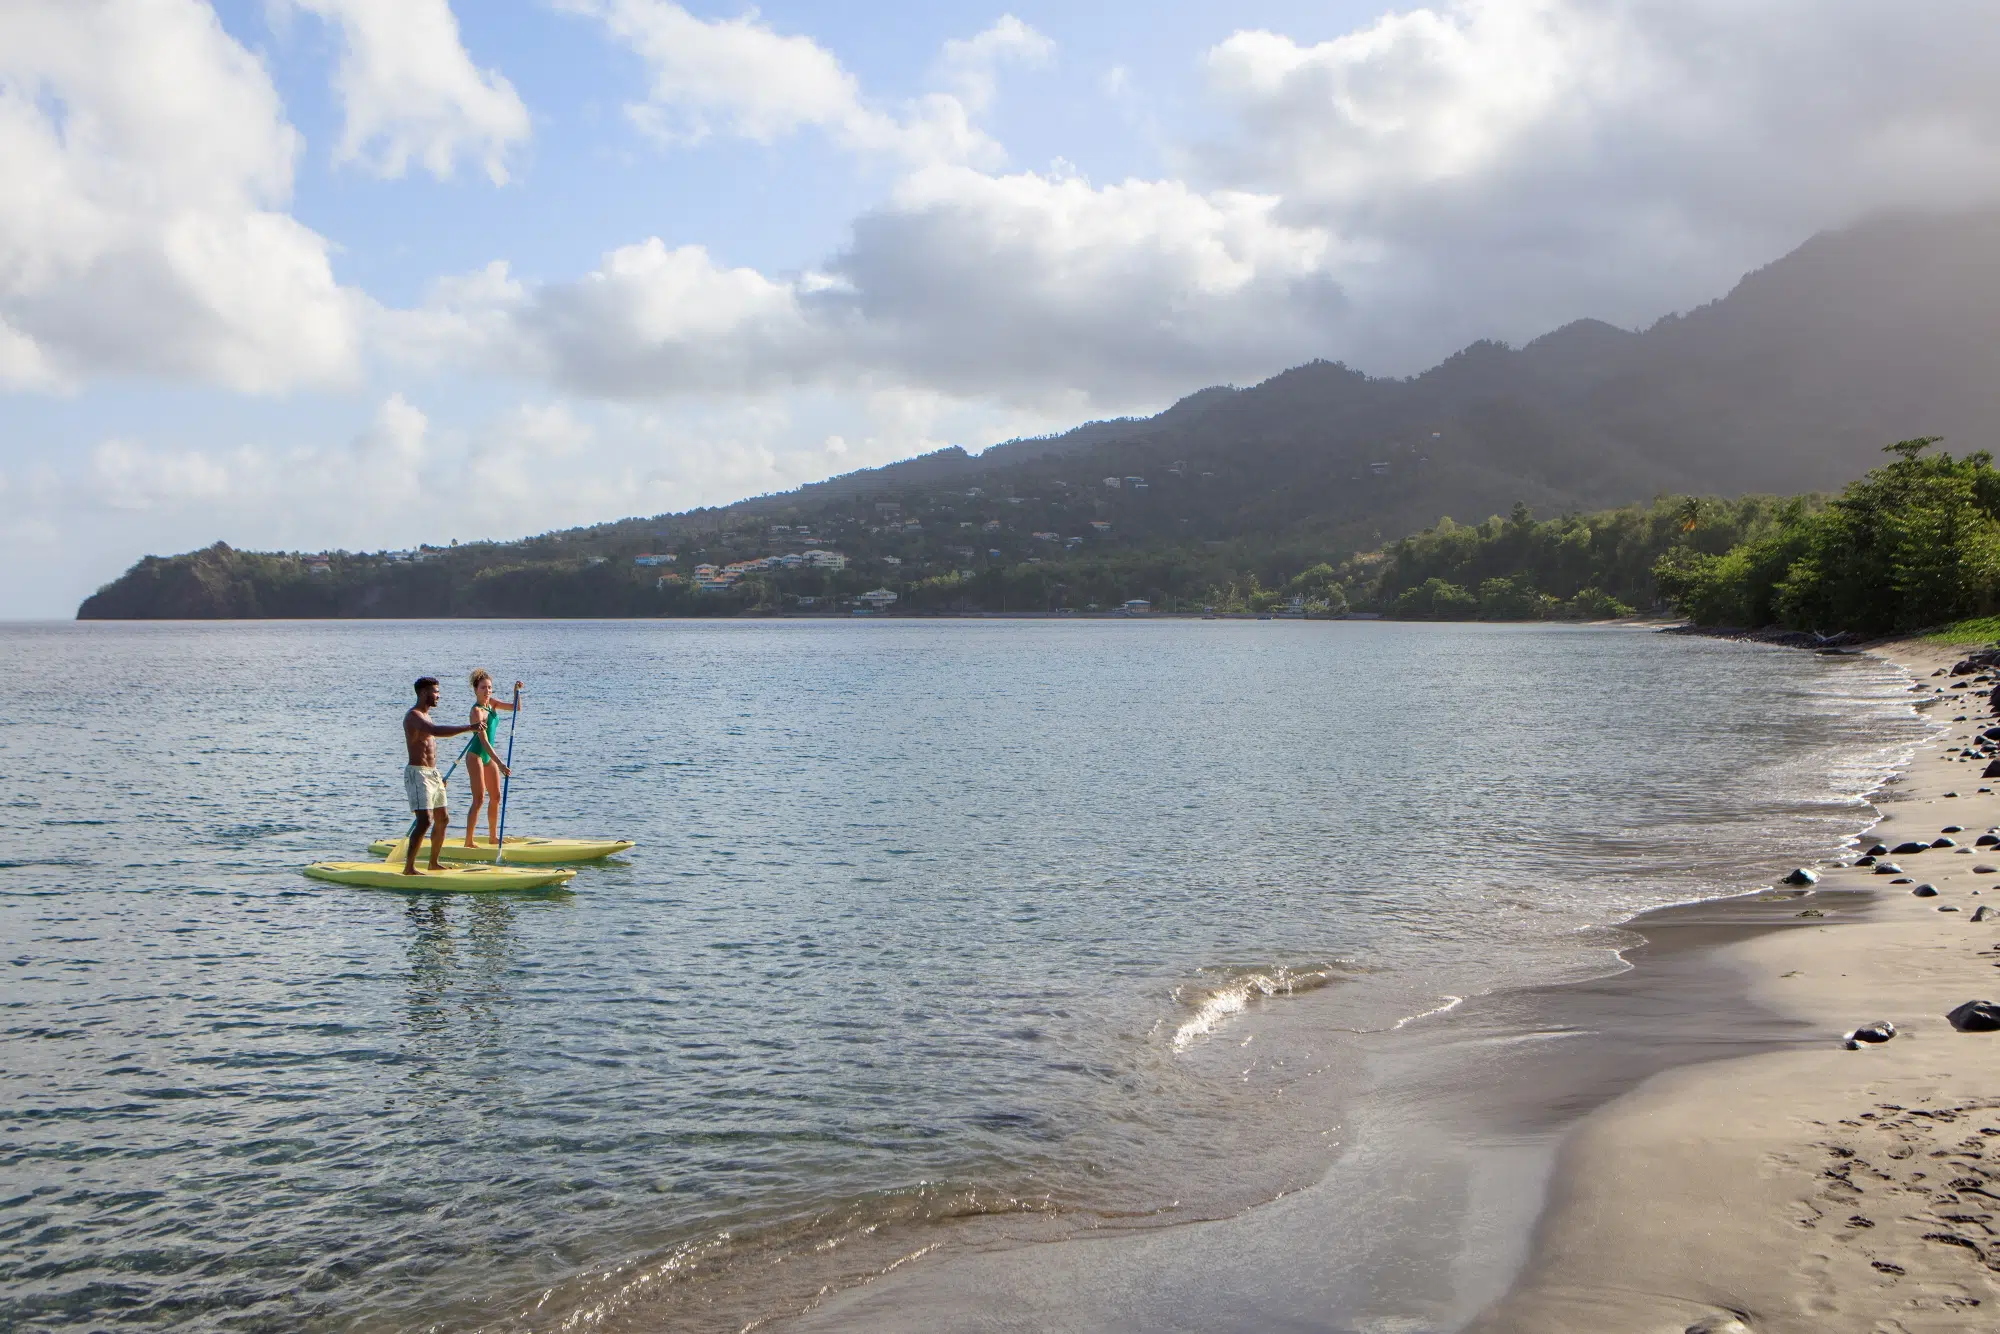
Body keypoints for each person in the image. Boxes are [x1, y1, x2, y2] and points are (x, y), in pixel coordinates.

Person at [403, 676, 480, 875]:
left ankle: (433, 863)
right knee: (425, 820)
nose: (438, 695)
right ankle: (409, 868)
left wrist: (438, 777)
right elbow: (435, 731)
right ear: (423, 693)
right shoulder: (413, 716)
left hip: (432, 774)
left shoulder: (427, 715)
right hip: (418, 774)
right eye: (435, 692)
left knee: (443, 819)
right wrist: (469, 727)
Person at [463, 670, 522, 847]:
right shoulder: (476, 711)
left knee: (496, 796)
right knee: (479, 798)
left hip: (489, 757)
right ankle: (468, 841)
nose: (487, 691)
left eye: (489, 687)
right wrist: (501, 763)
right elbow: (484, 741)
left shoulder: (492, 704)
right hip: (476, 755)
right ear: (475, 690)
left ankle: (492, 837)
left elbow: (516, 708)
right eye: (483, 688)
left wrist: (516, 691)